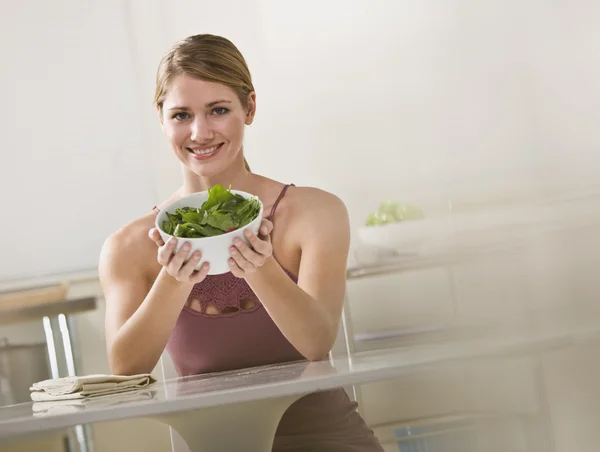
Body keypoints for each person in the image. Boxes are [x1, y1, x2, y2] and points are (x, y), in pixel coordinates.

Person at [99, 33, 384, 451]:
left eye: (218, 110)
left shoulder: (314, 213)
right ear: (160, 118)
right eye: (180, 115)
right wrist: (173, 280)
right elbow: (126, 368)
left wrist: (260, 266)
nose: (200, 132)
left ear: (249, 108)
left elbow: (316, 343)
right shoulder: (129, 246)